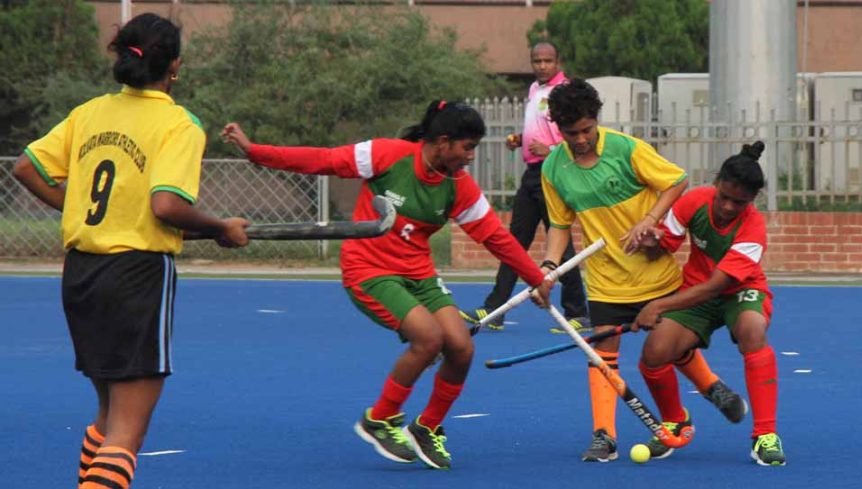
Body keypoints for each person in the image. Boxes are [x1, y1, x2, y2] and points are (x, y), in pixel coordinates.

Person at [220, 101, 553, 470]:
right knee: (428, 339)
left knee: (461, 347)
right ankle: (379, 417)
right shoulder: (386, 155)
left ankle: (428, 426)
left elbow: (497, 238)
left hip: (419, 274)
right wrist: (256, 152)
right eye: (467, 147)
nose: (471, 157)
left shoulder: (459, 186)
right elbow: (321, 160)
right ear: (442, 142)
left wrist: (537, 279)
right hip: (369, 268)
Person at [12, 13, 250, 489]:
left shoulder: (89, 113)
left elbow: (25, 167)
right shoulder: (178, 123)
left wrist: (72, 205)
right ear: (175, 66)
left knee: (106, 416)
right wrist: (221, 226)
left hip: (81, 274)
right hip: (136, 275)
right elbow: (166, 205)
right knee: (125, 432)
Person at [539, 78, 747, 462]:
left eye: (587, 129)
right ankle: (604, 436)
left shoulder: (626, 149)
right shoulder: (553, 168)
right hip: (604, 281)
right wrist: (549, 268)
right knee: (601, 356)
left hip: (656, 275)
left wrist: (650, 218)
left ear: (596, 120)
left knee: (667, 347)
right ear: (558, 128)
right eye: (572, 133)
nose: (581, 139)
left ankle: (709, 385)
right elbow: (559, 225)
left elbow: (676, 180)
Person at [632, 141, 786, 466]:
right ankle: (675, 420)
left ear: (752, 200)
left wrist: (658, 306)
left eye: (739, 202)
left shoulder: (753, 228)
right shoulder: (694, 201)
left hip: (738, 292)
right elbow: (667, 243)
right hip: (696, 291)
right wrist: (652, 243)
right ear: (716, 182)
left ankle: (765, 435)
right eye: (725, 197)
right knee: (654, 353)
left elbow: (718, 285)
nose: (729, 207)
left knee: (752, 330)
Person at [459, 41, 588, 333]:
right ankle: (495, 309)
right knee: (514, 242)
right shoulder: (533, 90)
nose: (541, 66)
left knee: (561, 245)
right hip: (531, 174)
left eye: (547, 61)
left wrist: (552, 151)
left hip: (553, 173)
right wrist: (519, 138)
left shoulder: (565, 92)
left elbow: (578, 138)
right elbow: (541, 127)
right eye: (536, 61)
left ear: (558, 62)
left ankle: (579, 313)